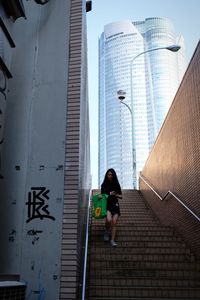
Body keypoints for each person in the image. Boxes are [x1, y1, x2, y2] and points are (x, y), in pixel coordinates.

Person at [99, 168, 122, 247]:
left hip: (115, 204)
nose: (110, 176)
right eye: (109, 174)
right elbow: (102, 195)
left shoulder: (116, 184)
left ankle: (112, 240)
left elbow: (121, 196)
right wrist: (100, 196)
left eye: (111, 174)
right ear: (106, 175)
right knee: (108, 220)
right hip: (107, 204)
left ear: (114, 175)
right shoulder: (104, 184)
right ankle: (106, 231)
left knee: (114, 222)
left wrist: (115, 194)